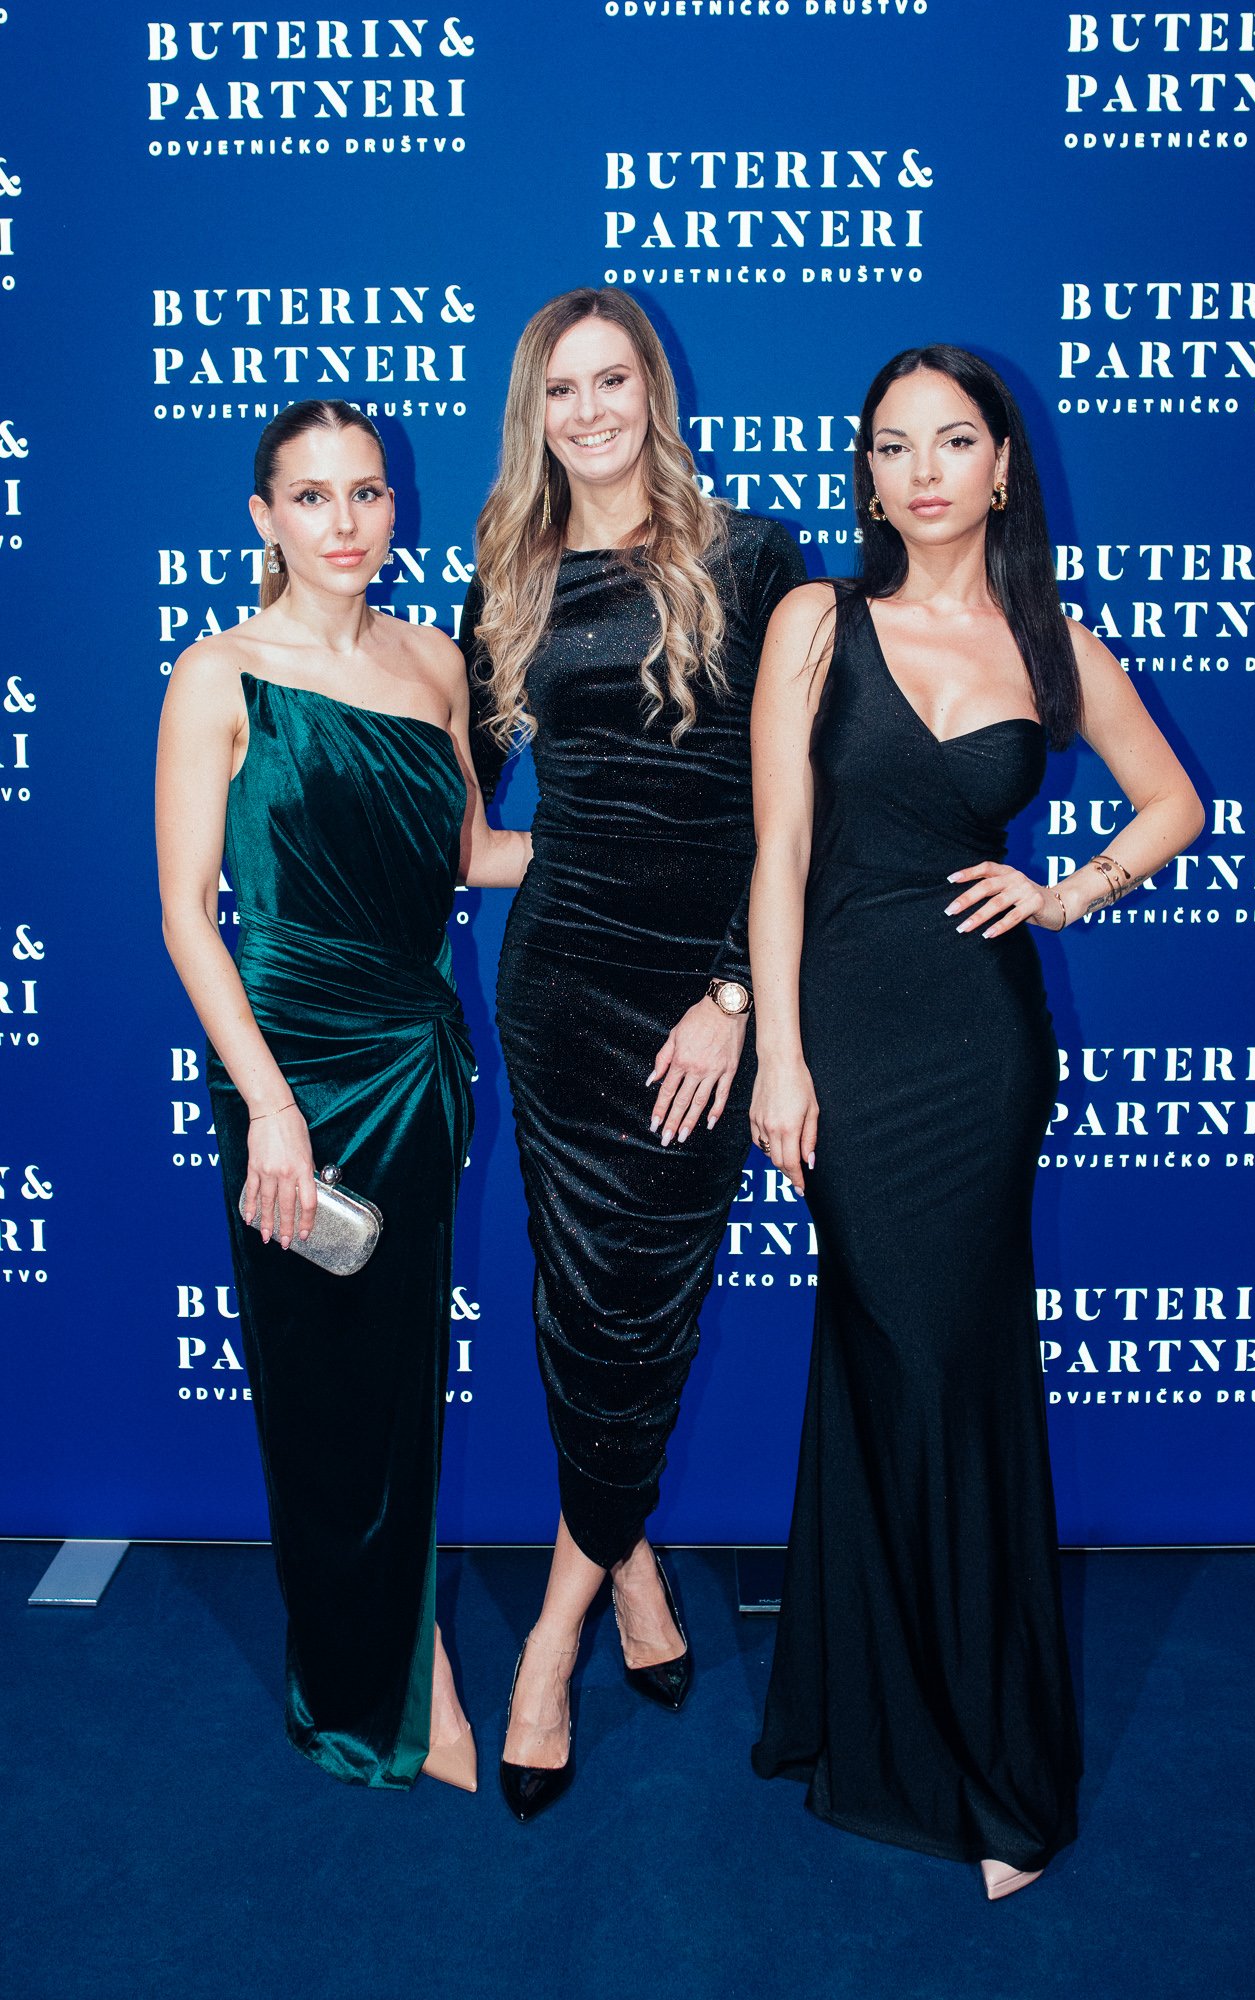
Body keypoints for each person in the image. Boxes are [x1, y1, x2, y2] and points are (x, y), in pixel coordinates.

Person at [747, 346, 1204, 1896]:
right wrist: (778, 1057)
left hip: (980, 1049)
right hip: (847, 1049)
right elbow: (777, 857)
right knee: (890, 1358)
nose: (923, 469)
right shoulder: (814, 622)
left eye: (954, 441)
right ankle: (878, 1715)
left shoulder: (1052, 642)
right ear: (863, 472)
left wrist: (1065, 891)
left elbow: (1173, 805)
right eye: (892, 445)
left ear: (1002, 466)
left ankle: (975, 1756)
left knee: (951, 1369)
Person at [461, 287, 806, 1820]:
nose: (589, 410)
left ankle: (549, 1644)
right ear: (533, 413)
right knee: (574, 1304)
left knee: (637, 1311)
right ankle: (637, 1578)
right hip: (559, 995)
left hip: (702, 1000)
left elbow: (796, 811)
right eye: (561, 390)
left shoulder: (749, 556)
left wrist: (734, 992)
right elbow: (470, 830)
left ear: (651, 392)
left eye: (612, 381)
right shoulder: (509, 576)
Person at [156, 399, 529, 1792]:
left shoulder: (436, 665)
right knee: (316, 1387)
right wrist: (266, 1104)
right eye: (310, 498)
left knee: (396, 1374)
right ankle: (370, 1682)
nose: (345, 521)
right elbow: (191, 916)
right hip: (286, 1070)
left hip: (415, 1062)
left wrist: (654, 859)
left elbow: (476, 857)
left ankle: (413, 1642)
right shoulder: (218, 675)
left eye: (365, 493)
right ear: (262, 520)